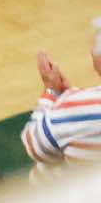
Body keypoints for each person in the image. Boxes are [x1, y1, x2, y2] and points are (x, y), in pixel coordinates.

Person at [24, 20, 101, 173]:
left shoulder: (81, 107)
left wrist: (52, 92)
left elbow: (33, 144)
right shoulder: (81, 105)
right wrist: (72, 98)